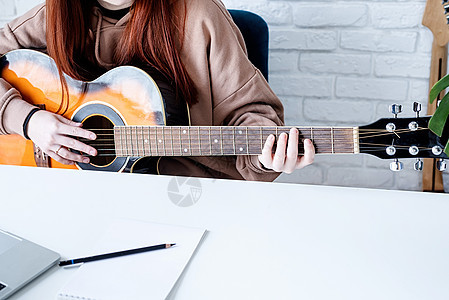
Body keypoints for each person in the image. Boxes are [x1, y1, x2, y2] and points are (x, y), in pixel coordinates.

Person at [0, 0, 314, 181]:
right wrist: (29, 121)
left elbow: (251, 114)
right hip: (70, 192)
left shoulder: (200, 14)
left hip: (184, 197)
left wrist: (268, 156)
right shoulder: (56, 12)